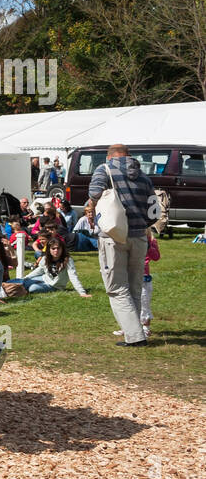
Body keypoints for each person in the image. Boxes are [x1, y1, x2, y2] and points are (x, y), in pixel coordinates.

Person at [89, 143, 155, 347]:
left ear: (109, 157)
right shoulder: (144, 176)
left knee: (117, 288)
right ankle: (135, 331)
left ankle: (135, 337)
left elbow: (94, 192)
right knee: (134, 286)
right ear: (129, 156)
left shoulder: (104, 169)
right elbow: (153, 210)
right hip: (139, 236)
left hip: (114, 236)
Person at [4, 234, 90, 298]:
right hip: (44, 278)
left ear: (62, 249)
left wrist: (82, 292)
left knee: (32, 288)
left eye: (58, 248)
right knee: (20, 281)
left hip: (54, 286)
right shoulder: (45, 259)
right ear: (49, 250)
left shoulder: (67, 260)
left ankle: (15, 290)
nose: (56, 251)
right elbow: (39, 270)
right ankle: (3, 288)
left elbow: (73, 276)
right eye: (53, 248)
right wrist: (26, 277)